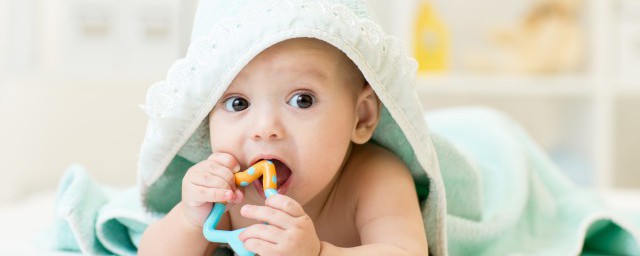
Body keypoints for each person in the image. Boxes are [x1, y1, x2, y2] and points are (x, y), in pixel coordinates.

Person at [139, 36, 428, 255]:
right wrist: (190, 220)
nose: (265, 128)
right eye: (238, 103)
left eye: (302, 100)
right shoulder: (228, 194)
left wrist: (319, 253)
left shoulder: (375, 177)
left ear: (361, 116)